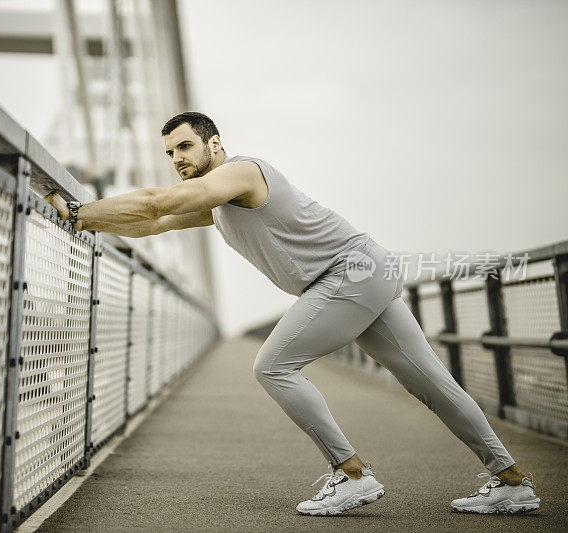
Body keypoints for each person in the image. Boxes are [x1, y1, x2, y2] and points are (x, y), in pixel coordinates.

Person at [44, 111, 540, 516]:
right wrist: (83, 221)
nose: (177, 159)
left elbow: (154, 204)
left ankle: (352, 476)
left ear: (215, 144)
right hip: (366, 271)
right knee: (432, 384)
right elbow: (152, 224)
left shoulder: (241, 172)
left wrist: (77, 209)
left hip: (348, 273)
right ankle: (512, 481)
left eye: (185, 147)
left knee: (273, 365)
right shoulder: (217, 203)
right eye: (170, 152)